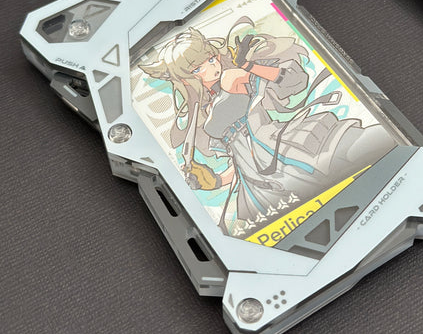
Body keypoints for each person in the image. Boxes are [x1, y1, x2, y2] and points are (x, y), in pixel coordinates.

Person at [140, 22, 395, 230]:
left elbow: (293, 79)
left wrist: (248, 66)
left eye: (210, 59)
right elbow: (238, 159)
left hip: (281, 147)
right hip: (254, 179)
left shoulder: (231, 78)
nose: (211, 67)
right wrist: (214, 180)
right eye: (198, 68)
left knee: (371, 148)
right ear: (186, 79)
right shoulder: (204, 111)